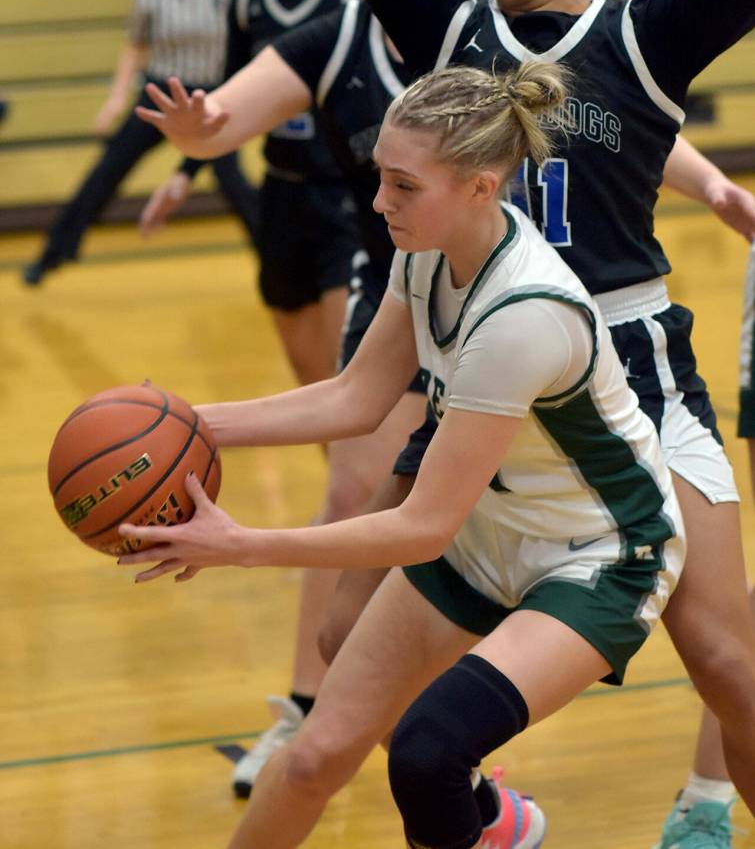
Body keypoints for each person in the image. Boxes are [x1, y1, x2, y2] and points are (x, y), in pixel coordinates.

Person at [259, 0, 755, 834]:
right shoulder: (444, 28)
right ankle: (478, 808)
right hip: (481, 385)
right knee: (345, 637)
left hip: (632, 379)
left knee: (724, 664)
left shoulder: (643, 38)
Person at [118, 60, 687, 849]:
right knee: (315, 752)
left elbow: (420, 527)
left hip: (596, 556)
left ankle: (487, 821)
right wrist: (179, 421)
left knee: (427, 752)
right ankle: (499, 825)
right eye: (380, 176)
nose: (380, 200)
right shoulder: (426, 247)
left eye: (403, 185)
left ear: (483, 186)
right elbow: (352, 398)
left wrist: (241, 545)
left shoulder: (522, 316)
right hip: (487, 531)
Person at [136, 0, 476, 800]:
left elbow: (627, 110)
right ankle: (308, 704)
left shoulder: (490, 34)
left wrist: (715, 188)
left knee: (457, 524)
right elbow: (221, 122)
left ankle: (439, 723)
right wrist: (201, 132)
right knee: (354, 485)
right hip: (400, 289)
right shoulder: (335, 36)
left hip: (504, 304)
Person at [168, 0, 360, 389]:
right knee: (308, 374)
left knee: (346, 373)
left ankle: (362, 474)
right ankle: (337, 474)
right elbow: (226, 93)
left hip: (348, 198)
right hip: (280, 197)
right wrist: (187, 169)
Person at [22, 0, 258, 286]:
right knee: (106, 172)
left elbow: (245, 42)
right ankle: (54, 253)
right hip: (158, 95)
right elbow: (135, 46)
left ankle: (274, 261)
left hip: (206, 99)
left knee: (234, 185)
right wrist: (116, 99)